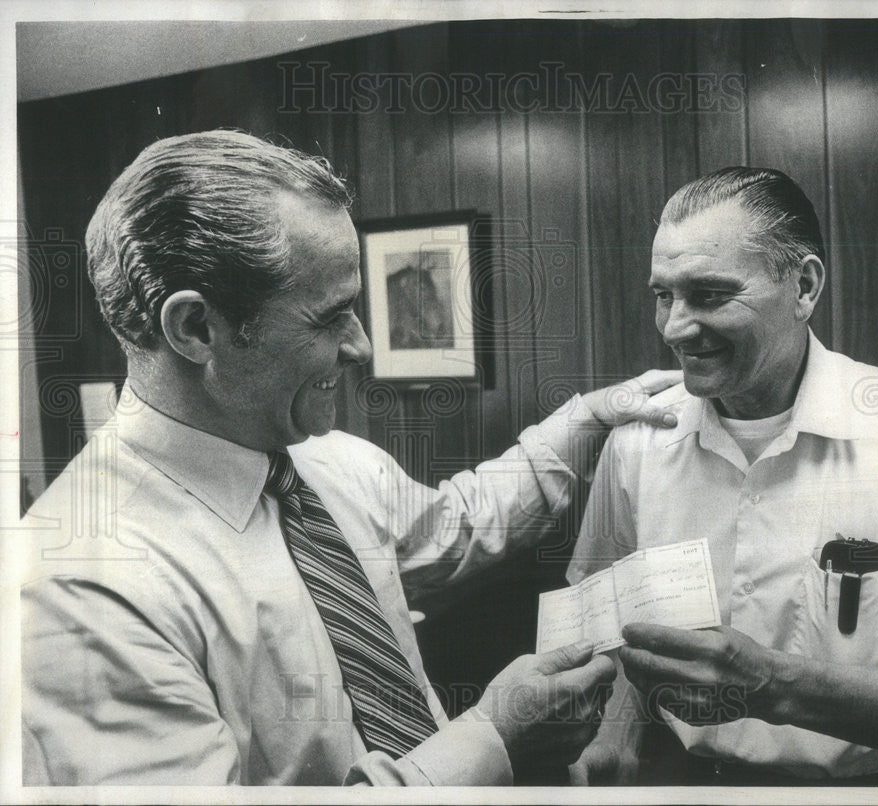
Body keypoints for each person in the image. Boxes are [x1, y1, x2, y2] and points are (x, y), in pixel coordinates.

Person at [19, 130, 681, 786]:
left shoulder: (327, 463)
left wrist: (585, 419)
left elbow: (459, 523)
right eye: (329, 316)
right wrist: (494, 739)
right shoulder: (81, 586)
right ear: (196, 329)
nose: (361, 346)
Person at [567, 167, 878, 786]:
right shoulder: (638, 440)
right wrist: (607, 757)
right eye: (664, 295)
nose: (675, 328)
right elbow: (604, 636)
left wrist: (772, 684)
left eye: (709, 295)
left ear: (804, 286)